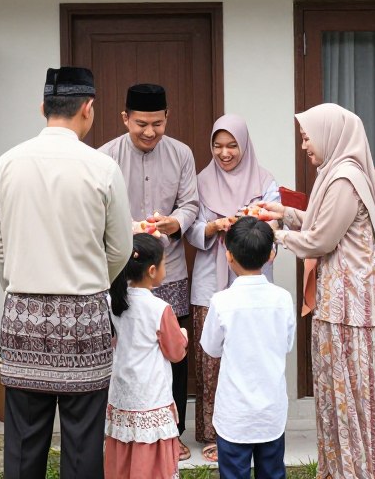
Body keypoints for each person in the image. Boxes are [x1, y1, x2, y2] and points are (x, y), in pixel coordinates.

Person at [0, 67, 133, 479]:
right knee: (84, 440)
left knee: (22, 439)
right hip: (84, 319)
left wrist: (19, 284)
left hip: (23, 316)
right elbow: (121, 247)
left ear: (42, 108)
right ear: (88, 108)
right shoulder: (101, 167)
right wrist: (87, 278)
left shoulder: (7, 164)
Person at [262, 103, 375, 479]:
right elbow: (323, 222)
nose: (304, 145)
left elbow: (320, 239)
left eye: (307, 137)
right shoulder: (335, 174)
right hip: (341, 304)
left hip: (348, 309)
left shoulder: (344, 180)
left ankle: (355, 471)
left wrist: (277, 234)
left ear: (329, 134)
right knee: (337, 397)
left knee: (348, 397)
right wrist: (282, 212)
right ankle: (340, 468)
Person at [99, 83, 199, 460]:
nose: (149, 132)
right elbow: (100, 207)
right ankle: (120, 429)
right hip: (120, 271)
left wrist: (175, 221)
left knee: (173, 352)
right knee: (121, 349)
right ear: (125, 118)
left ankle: (174, 434)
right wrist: (129, 227)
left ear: (167, 118)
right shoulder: (106, 155)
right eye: (141, 123)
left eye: (157, 123)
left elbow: (191, 202)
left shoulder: (182, 154)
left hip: (168, 268)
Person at [185, 114, 278, 463]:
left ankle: (255, 432)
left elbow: (274, 227)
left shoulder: (265, 180)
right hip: (211, 282)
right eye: (217, 145)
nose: (224, 153)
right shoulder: (200, 182)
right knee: (211, 359)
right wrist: (215, 226)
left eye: (232, 145)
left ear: (244, 144)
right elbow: (190, 228)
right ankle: (213, 433)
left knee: (250, 360)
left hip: (252, 285)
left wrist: (250, 223)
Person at [200, 216, 295, 479]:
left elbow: (211, 347)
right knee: (273, 472)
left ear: (228, 257)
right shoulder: (283, 299)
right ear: (271, 255)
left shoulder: (222, 301)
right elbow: (287, 344)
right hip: (271, 412)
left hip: (235, 414)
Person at [105, 233, 189, 479]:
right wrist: (182, 334)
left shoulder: (113, 301)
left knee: (124, 450)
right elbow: (175, 352)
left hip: (122, 393)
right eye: (165, 263)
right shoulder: (159, 309)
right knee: (149, 455)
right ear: (152, 270)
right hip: (150, 397)